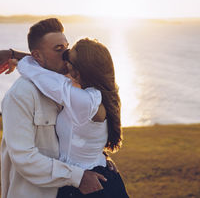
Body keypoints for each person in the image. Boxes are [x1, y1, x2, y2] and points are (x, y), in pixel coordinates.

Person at [0, 18, 110, 198]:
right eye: (59, 50)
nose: (67, 55)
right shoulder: (20, 95)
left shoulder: (71, 84)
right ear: (37, 57)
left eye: (66, 48)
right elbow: (24, 158)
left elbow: (79, 133)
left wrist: (97, 158)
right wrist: (78, 176)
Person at [16, 38, 129, 198]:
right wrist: (16, 54)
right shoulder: (99, 94)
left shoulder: (85, 102)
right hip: (98, 176)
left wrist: (18, 58)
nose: (64, 60)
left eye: (68, 58)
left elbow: (37, 73)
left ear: (80, 70)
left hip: (87, 186)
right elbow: (49, 70)